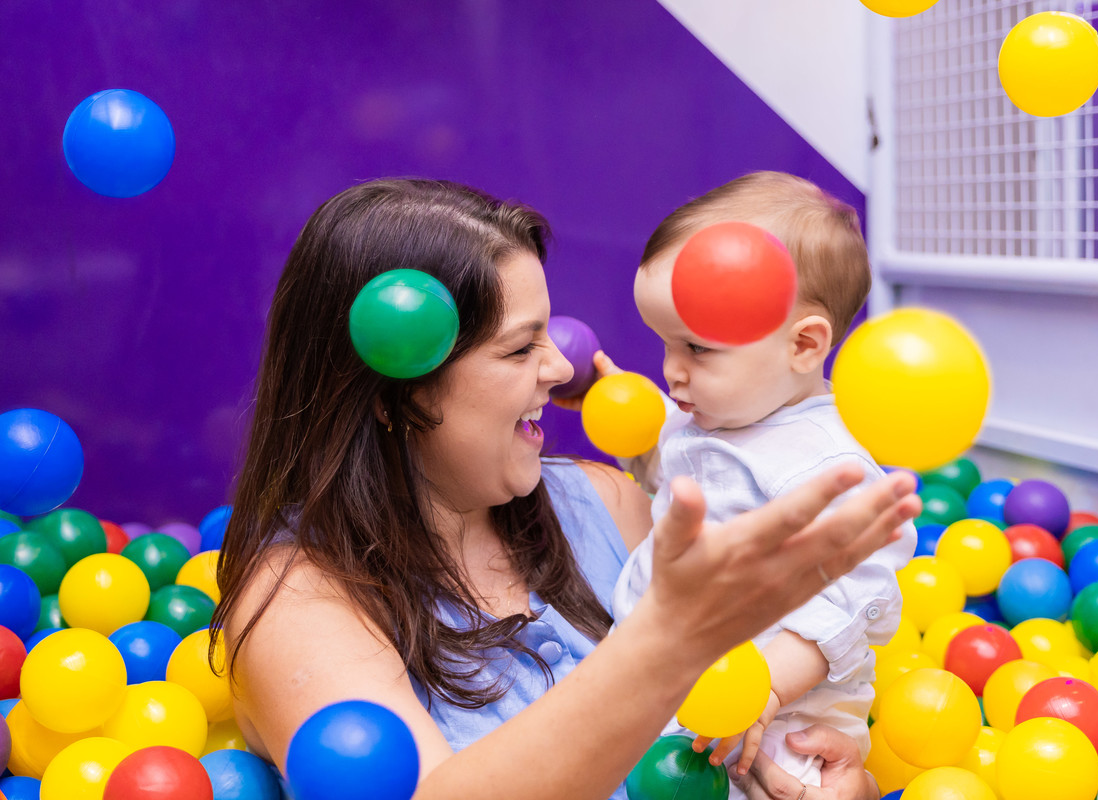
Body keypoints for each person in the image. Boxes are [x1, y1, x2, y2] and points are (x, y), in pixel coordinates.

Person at [212, 178, 921, 800]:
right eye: (521, 347)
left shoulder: (599, 503)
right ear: (395, 392)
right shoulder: (299, 600)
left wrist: (843, 783)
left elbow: (770, 685)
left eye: (549, 334)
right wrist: (669, 644)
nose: (558, 367)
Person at [606, 172, 918, 795]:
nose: (672, 371)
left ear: (803, 345)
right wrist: (610, 402)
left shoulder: (825, 464)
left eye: (697, 348)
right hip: (671, 686)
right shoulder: (718, 416)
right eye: (665, 343)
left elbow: (853, 594)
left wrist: (765, 689)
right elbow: (680, 470)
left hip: (779, 724)